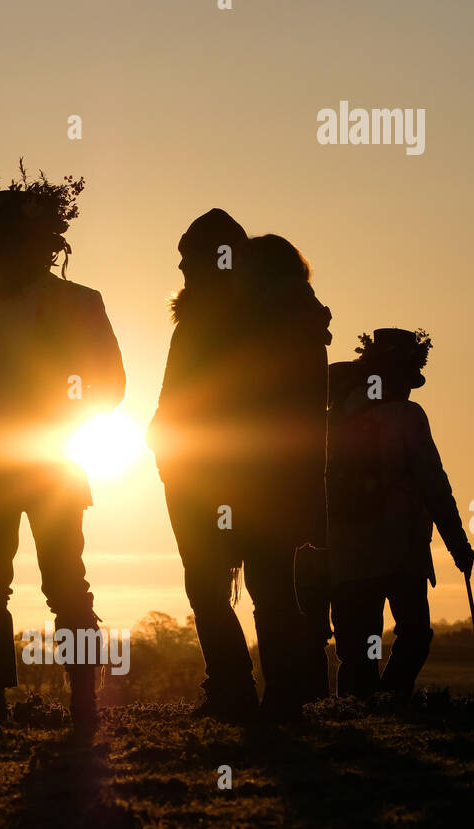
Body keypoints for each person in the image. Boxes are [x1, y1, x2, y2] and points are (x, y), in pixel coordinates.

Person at [149, 214, 332, 721]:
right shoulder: (275, 316)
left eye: (191, 257)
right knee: (263, 586)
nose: (182, 267)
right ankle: (277, 694)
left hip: (211, 476)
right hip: (247, 476)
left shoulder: (225, 316)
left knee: (217, 585)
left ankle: (238, 687)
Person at [0, 164, 125, 735]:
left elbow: (112, 384)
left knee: (64, 582)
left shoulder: (81, 302)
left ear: (35, 246)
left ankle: (85, 705)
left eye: (0, 242)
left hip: (53, 460)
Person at [326, 329, 474, 698]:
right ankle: (390, 701)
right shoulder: (407, 416)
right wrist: (458, 545)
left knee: (358, 644)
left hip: (345, 549)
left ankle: (357, 714)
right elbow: (434, 486)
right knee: (414, 633)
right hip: (401, 547)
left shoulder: (334, 417)